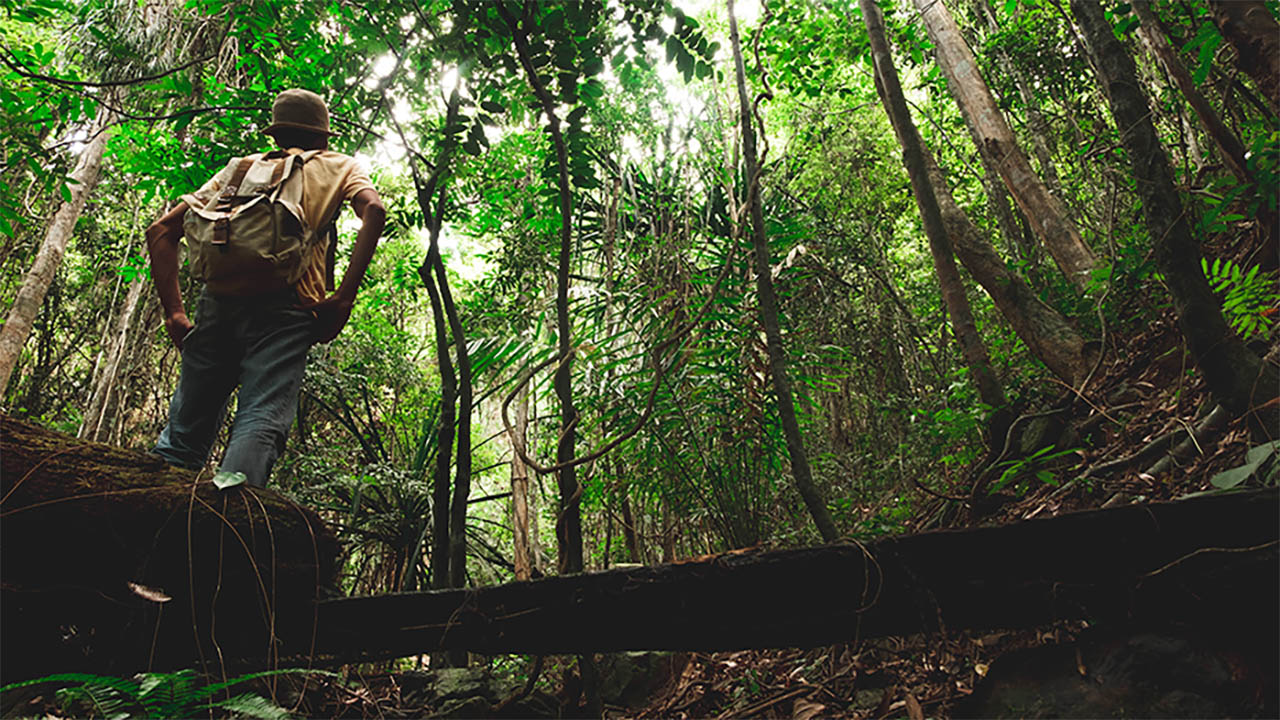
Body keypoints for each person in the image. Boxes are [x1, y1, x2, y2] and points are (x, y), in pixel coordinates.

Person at [146, 89, 385, 488]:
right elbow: (374, 210)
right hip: (287, 311)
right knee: (260, 416)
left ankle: (155, 509)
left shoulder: (240, 169)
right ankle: (230, 519)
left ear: (275, 135)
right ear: (324, 136)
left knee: (185, 430)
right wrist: (342, 298)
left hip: (216, 304)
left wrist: (174, 312)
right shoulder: (341, 166)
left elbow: (161, 231)